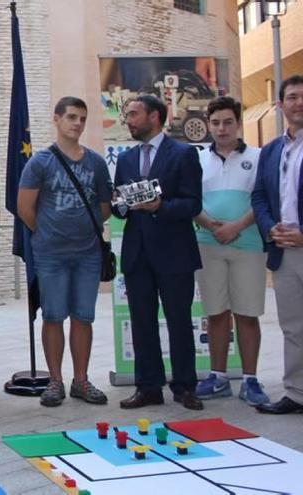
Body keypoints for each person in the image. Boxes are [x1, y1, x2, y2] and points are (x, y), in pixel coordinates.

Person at [17, 97, 112, 407]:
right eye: (71, 117)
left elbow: (105, 207)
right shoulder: (40, 162)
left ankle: (81, 380)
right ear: (56, 119)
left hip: (87, 254)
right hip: (51, 254)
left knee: (84, 317)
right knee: (54, 316)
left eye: (82, 118)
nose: (77, 123)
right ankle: (55, 381)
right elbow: (25, 208)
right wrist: (49, 231)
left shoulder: (96, 162)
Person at [113, 95, 204, 411]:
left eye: (135, 114)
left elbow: (193, 203)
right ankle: (148, 386)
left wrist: (161, 207)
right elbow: (120, 207)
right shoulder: (125, 160)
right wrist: (120, 204)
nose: (129, 120)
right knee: (141, 322)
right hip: (138, 253)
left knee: (179, 321)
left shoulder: (183, 154)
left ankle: (185, 386)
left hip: (175, 253)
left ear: (155, 117)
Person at [193, 96, 269, 406]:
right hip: (208, 245)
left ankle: (250, 380)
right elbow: (190, 200)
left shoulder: (260, 156)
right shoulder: (197, 159)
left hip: (248, 245)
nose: (221, 128)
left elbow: (264, 198)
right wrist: (212, 226)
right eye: (215, 123)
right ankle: (218, 377)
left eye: (227, 122)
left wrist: (236, 226)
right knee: (216, 314)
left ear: (238, 123)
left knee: (247, 314)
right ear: (208, 125)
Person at [251, 74, 303, 414]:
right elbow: (259, 196)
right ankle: (297, 393)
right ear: (281, 104)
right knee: (293, 327)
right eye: (293, 97)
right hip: (283, 251)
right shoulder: (270, 151)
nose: (299, 102)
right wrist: (270, 229)